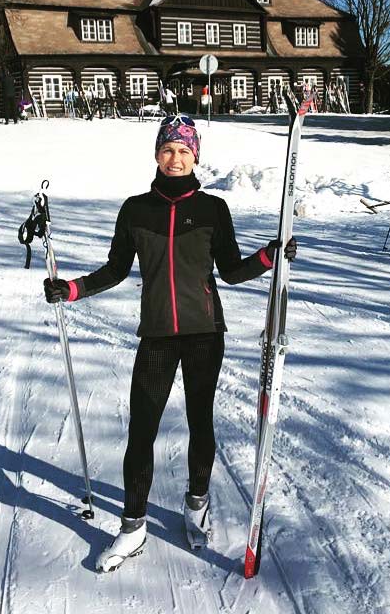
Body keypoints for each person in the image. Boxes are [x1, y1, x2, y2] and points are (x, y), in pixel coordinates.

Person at [43, 114, 297, 572]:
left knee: (202, 424)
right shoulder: (136, 210)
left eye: (184, 151)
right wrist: (73, 289)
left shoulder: (213, 209)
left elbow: (231, 271)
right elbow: (116, 269)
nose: (175, 158)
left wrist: (269, 255)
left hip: (204, 334)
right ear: (157, 155)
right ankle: (133, 526)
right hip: (158, 335)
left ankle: (196, 503)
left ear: (195, 155)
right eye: (168, 150)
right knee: (142, 430)